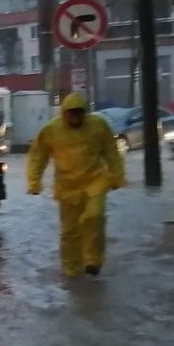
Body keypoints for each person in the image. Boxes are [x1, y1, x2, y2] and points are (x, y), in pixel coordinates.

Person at [27, 92, 127, 277]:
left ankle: (93, 261)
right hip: (67, 187)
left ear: (84, 112)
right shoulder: (51, 130)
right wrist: (34, 182)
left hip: (95, 182)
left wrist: (117, 176)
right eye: (71, 113)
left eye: (79, 113)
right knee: (70, 232)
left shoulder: (98, 126)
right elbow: (38, 156)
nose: (75, 117)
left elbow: (111, 152)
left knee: (94, 218)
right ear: (65, 113)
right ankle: (71, 269)